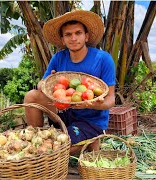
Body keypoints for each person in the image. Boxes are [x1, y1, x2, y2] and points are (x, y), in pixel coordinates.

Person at [24, 10, 116, 154]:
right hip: (63, 113)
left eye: (78, 33)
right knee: (31, 96)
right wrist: (48, 83)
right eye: (68, 34)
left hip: (90, 121)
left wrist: (94, 105)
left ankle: (91, 139)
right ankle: (35, 138)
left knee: (57, 148)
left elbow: (111, 99)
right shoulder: (58, 58)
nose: (73, 38)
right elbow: (41, 84)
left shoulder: (103, 59)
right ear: (62, 40)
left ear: (86, 36)